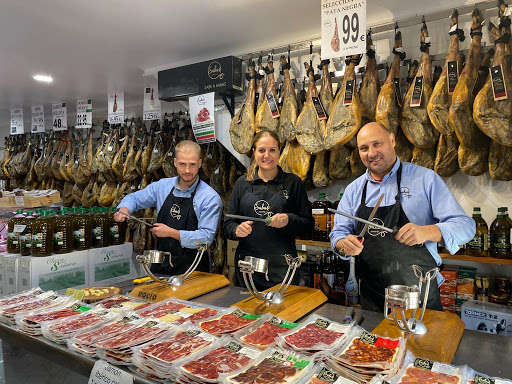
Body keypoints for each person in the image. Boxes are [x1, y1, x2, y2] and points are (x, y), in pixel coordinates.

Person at [330, 122, 475, 312]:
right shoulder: (353, 190)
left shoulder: (425, 179)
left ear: (392, 140)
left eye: (377, 144)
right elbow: (338, 233)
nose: (371, 153)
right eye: (364, 148)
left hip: (419, 296)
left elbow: (466, 227)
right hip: (372, 297)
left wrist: (428, 232)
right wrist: (343, 244)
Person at [115, 140, 222, 275]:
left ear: (200, 163)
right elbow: (134, 198)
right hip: (161, 267)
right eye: (182, 164)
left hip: (193, 271)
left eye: (192, 165)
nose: (187, 170)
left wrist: (172, 233)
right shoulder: (162, 186)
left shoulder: (209, 197)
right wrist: (125, 208)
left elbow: (206, 238)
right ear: (175, 162)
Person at [224, 130, 314, 290]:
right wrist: (237, 229)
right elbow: (228, 223)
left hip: (283, 268)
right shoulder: (242, 184)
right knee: (247, 312)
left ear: (279, 151)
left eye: (272, 150)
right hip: (247, 267)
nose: (267, 155)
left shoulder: (293, 183)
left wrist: (289, 219)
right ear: (254, 152)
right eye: (261, 150)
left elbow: (308, 225)